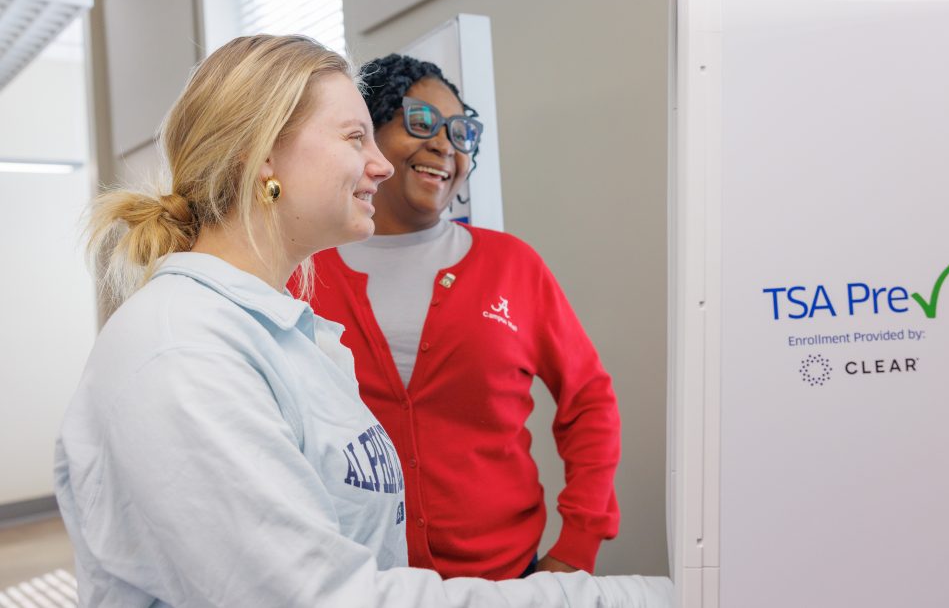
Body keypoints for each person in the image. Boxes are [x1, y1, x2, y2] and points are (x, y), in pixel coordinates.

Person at [54, 34, 671, 607]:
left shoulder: (292, 330)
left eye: (460, 131)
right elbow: (323, 597)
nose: (380, 165)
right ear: (263, 155)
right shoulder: (184, 356)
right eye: (356, 138)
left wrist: (576, 552)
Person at [297, 54, 621, 580]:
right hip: (356, 583)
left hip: (506, 581)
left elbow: (589, 401)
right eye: (421, 121)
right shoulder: (303, 274)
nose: (444, 144)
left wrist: (577, 546)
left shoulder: (512, 266)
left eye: (460, 132)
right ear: (367, 138)